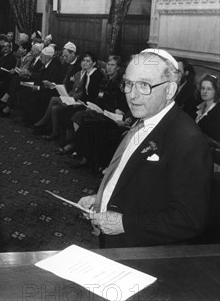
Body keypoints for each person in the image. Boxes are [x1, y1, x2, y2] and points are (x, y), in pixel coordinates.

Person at [78, 49, 213, 248]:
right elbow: (135, 181)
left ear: (169, 90)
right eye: (129, 84)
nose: (132, 95)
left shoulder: (187, 139)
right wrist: (101, 200)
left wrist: (126, 223)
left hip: (144, 256)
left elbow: (189, 219)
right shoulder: (144, 119)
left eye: (144, 85)